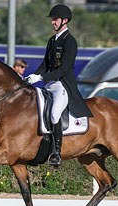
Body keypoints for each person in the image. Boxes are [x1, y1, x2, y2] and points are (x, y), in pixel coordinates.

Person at [27, 4, 93, 167]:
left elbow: (63, 69)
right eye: (52, 20)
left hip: (62, 86)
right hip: (49, 84)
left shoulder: (70, 42)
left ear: (65, 21)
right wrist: (35, 76)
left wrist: (42, 77)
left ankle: (56, 152)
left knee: (55, 114)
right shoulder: (52, 40)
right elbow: (45, 63)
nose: (52, 22)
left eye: (55, 19)